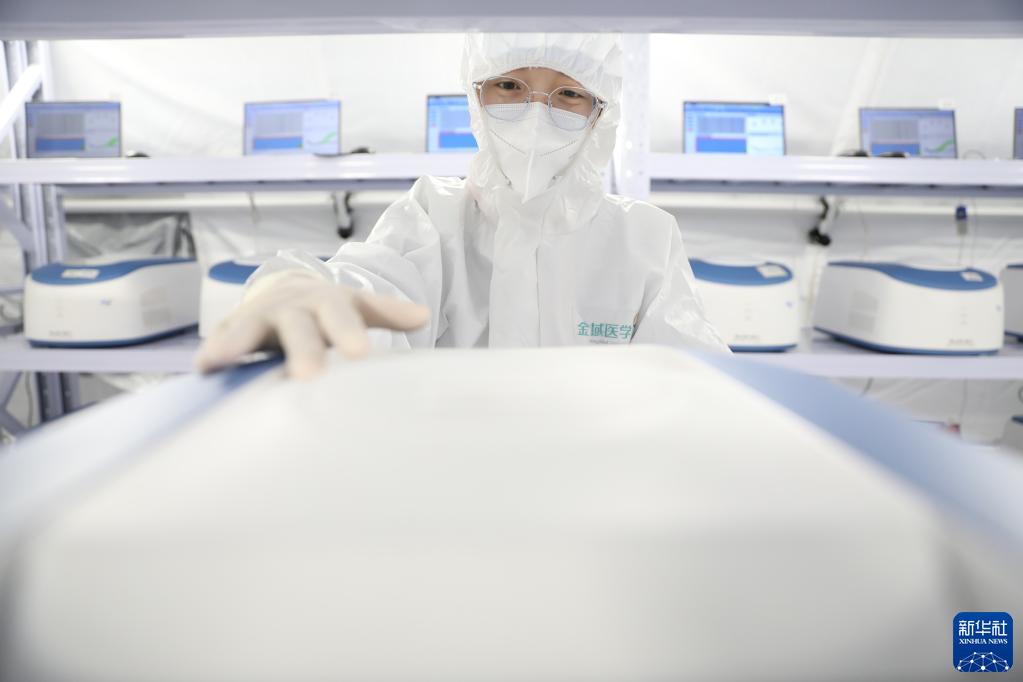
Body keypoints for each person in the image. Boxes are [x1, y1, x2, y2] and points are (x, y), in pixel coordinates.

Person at [196, 33, 728, 379]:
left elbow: (694, 380)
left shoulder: (644, 237)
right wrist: (301, 287)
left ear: (601, 114)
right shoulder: (433, 213)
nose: (535, 115)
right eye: (509, 85)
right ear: (476, 98)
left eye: (568, 94)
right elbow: (374, 285)